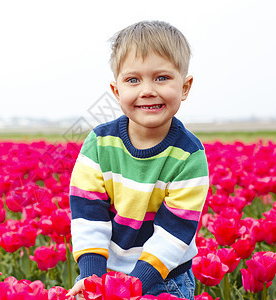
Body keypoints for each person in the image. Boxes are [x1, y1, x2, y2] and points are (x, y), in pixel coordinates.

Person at [66, 20, 209, 299]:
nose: (147, 90)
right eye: (133, 80)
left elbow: (174, 232)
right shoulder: (100, 144)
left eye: (162, 78)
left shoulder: (189, 155)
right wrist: (93, 278)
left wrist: (135, 285)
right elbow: (88, 215)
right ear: (117, 90)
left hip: (165, 278)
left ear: (185, 87)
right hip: (105, 275)